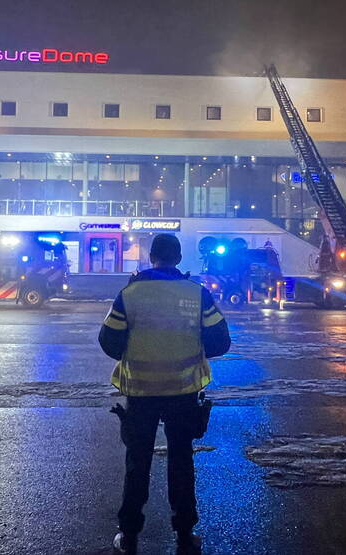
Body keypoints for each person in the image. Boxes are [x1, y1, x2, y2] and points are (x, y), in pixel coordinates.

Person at [99, 234, 231, 555]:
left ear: (151, 257)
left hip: (141, 392)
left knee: (137, 461)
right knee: (181, 460)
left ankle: (129, 535)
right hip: (183, 390)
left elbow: (108, 341)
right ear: (179, 257)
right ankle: (185, 534)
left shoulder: (130, 293)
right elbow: (220, 342)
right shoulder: (197, 294)